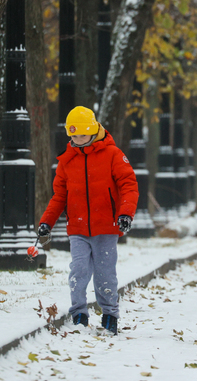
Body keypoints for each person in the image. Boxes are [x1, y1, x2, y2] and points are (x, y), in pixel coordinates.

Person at [38, 106, 139, 335]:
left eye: (83, 135)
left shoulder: (113, 154)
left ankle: (110, 314)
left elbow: (128, 185)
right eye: (74, 136)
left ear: (93, 131)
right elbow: (59, 196)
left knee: (105, 273)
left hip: (106, 226)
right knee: (79, 270)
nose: (79, 140)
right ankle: (79, 314)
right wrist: (47, 222)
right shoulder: (66, 161)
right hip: (78, 227)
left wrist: (125, 214)